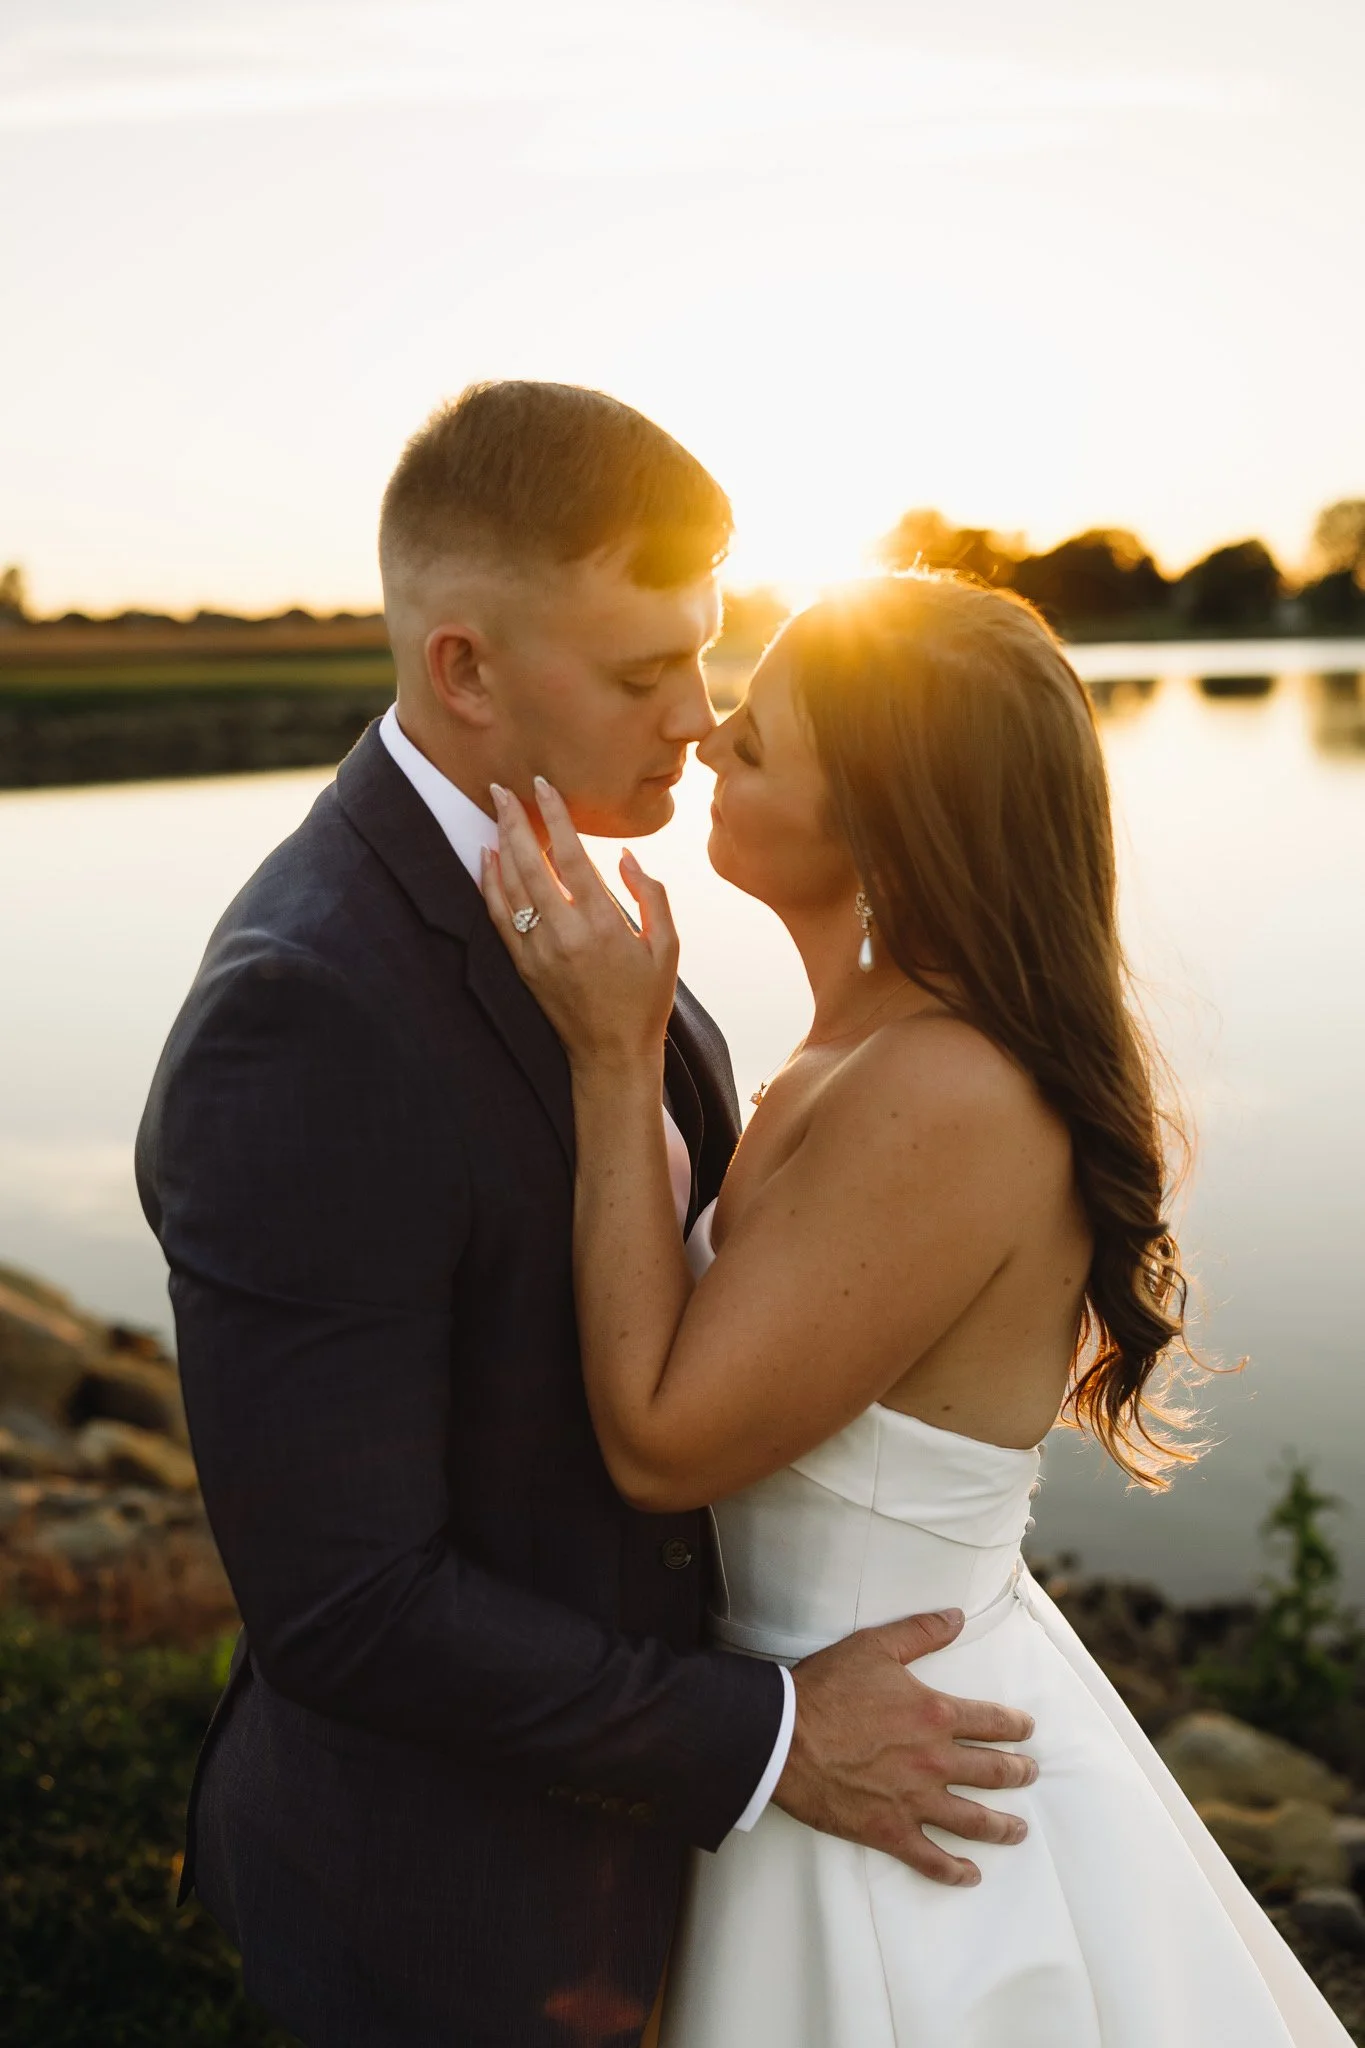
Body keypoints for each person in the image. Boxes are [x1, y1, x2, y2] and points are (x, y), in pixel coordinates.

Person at [135, 383, 1035, 2048]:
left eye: (704, 655)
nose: (698, 717)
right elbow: (344, 1607)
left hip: (680, 1908)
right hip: (450, 1931)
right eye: (642, 673)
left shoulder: (597, 911)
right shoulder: (309, 1012)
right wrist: (768, 1736)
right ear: (463, 669)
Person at [485, 569, 1353, 2047]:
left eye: (758, 740)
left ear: (886, 814)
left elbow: (658, 1441)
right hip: (810, 1737)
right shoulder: (862, 1042)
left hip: (906, 1784)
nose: (704, 740)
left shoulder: (943, 1088)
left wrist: (613, 1060)